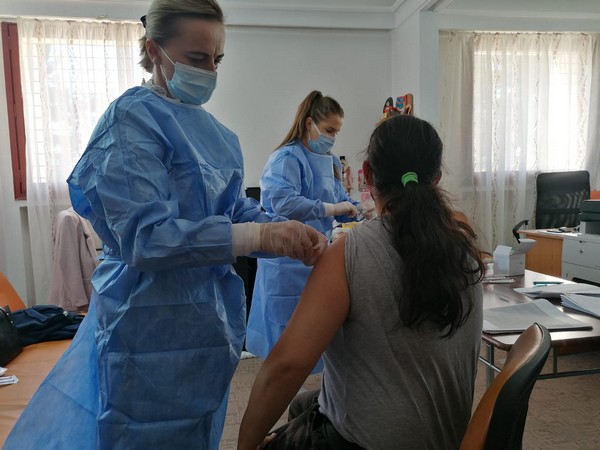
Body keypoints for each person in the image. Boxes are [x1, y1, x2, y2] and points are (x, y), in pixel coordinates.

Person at [4, 1, 326, 449]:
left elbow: (233, 209)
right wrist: (258, 235)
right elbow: (146, 237)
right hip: (144, 325)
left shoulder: (218, 136)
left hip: (206, 323)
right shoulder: (129, 121)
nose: (209, 71)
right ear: (155, 50)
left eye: (217, 60)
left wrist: (282, 231)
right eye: (197, 58)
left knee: (198, 429)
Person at [238, 114, 486, 450]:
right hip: (446, 436)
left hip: (364, 442)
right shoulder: (465, 248)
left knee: (284, 424)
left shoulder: (348, 253)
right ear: (437, 178)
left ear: (367, 175)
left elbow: (286, 367)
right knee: (302, 405)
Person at [245, 91, 361, 373]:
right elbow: (282, 203)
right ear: (310, 123)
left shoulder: (330, 162)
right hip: (286, 263)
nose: (333, 137)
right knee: (285, 343)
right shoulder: (286, 158)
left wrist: (358, 209)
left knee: (317, 337)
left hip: (316, 258)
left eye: (337, 132)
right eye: (329, 130)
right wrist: (330, 209)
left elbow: (339, 200)